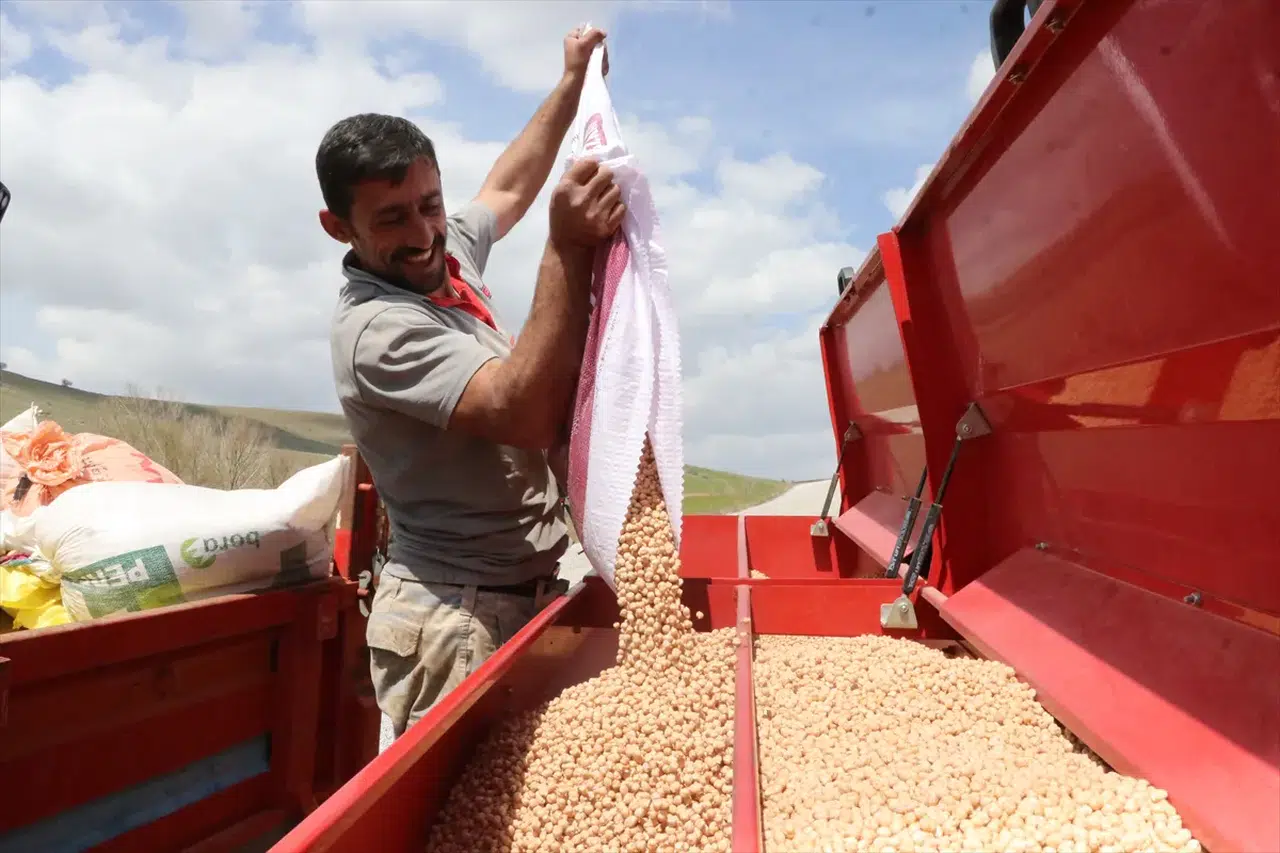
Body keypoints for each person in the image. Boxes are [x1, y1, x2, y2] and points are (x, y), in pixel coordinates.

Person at [317, 26, 624, 738]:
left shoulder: (441, 251)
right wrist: (567, 247)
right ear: (339, 227)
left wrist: (572, 80)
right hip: (455, 619)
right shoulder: (377, 330)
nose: (425, 233)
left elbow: (510, 185)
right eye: (392, 218)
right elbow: (520, 411)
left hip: (517, 593)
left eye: (430, 203)